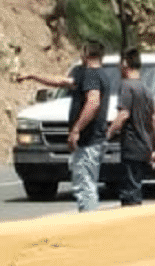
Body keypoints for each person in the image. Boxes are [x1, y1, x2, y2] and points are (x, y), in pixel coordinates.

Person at [18, 39, 109, 210]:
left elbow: (93, 102)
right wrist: (33, 75)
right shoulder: (96, 74)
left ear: (85, 53)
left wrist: (76, 130)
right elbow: (61, 82)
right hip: (92, 140)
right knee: (85, 183)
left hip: (89, 140)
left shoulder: (91, 74)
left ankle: (89, 224)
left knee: (85, 186)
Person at [106, 48, 155, 205]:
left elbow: (123, 115)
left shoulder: (126, 87)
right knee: (136, 189)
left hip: (131, 147)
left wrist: (109, 133)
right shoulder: (148, 91)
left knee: (129, 194)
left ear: (125, 64)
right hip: (145, 147)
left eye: (120, 64)